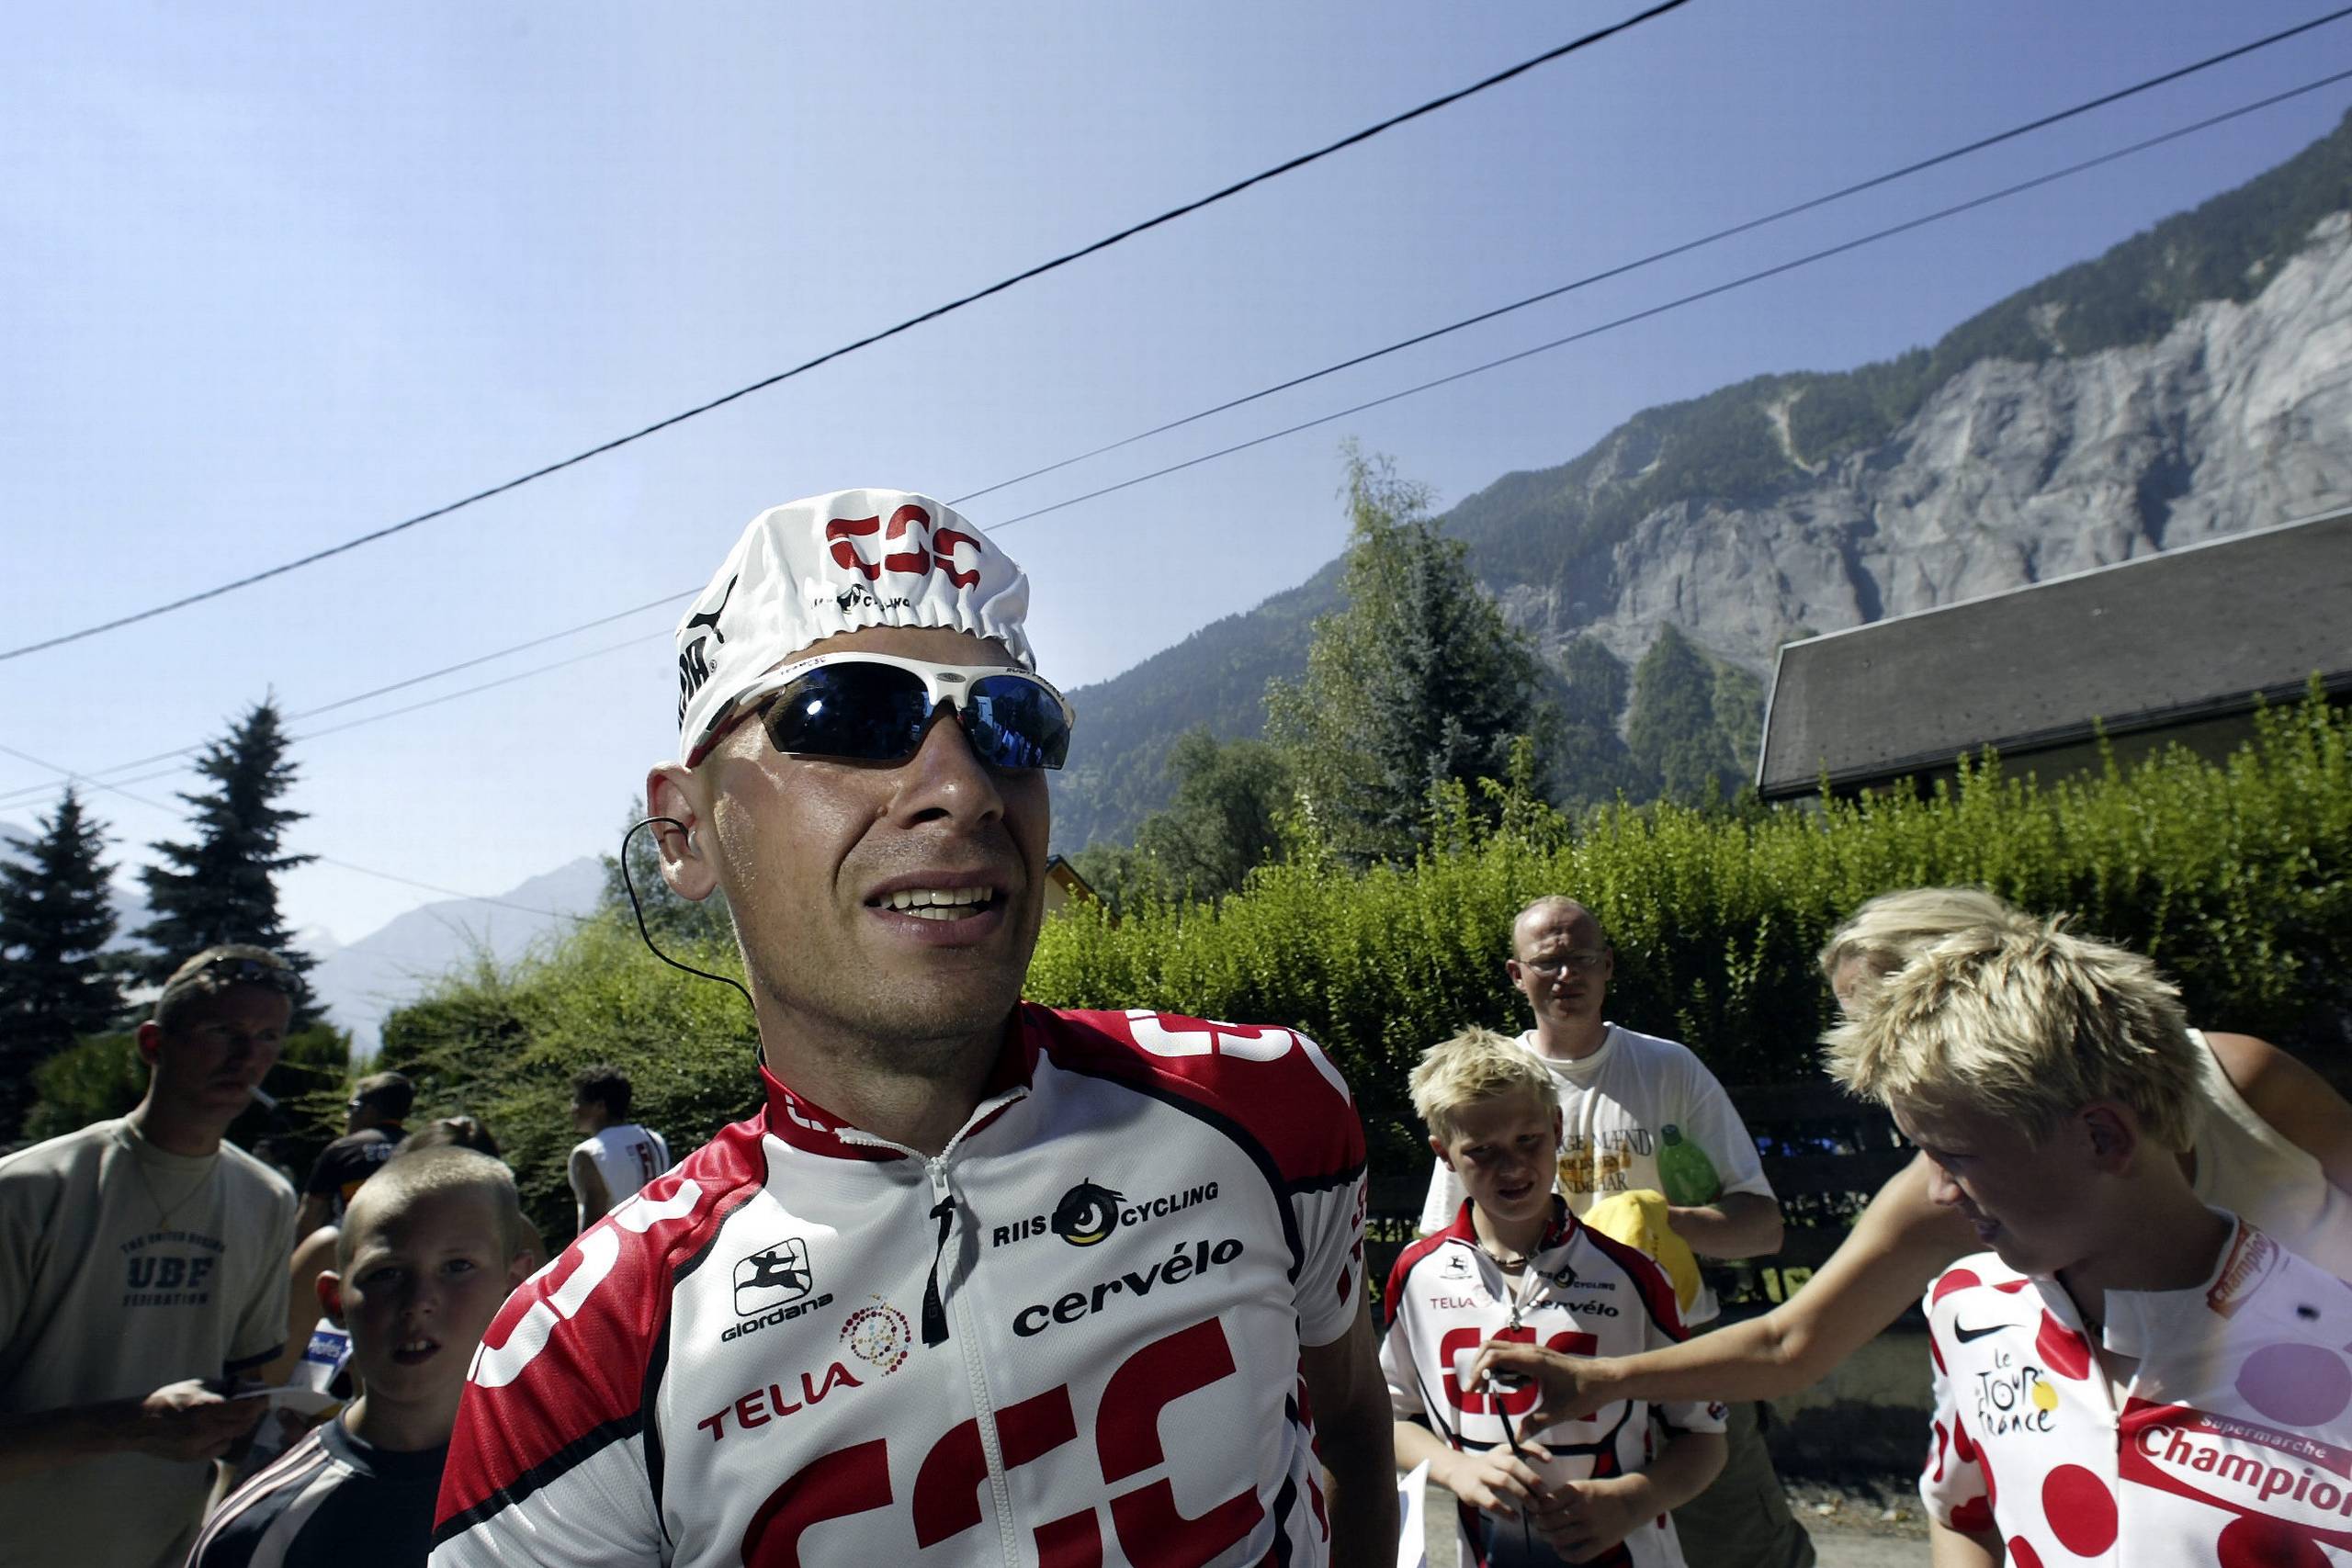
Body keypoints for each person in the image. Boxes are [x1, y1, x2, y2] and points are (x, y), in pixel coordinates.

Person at [430, 489, 1394, 1565]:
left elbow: (1353, 1425)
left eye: (1010, 724)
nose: (961, 784)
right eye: (850, 715)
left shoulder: (1264, 1105)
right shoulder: (579, 1359)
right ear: (683, 830)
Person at [1469, 886, 2352, 1424]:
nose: (1871, 1058)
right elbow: (1790, 1340)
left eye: (1883, 1016)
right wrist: (1597, 1379)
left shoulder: (2241, 1081)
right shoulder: (1943, 1191)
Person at [1827, 916, 2352, 1562]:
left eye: (1954, 1155)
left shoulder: (2336, 1347)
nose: (1936, 1190)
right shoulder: (1969, 1309)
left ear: (2104, 1137)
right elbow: (1963, 1512)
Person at [1418, 895, 1811, 1568]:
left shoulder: (1669, 1069)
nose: (1566, 975)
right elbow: (1443, 1250)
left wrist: (1661, 1221)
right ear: (1517, 974)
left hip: (1685, 1354)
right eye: (1548, 963)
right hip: (1554, 1371)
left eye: (1581, 959)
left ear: (1608, 966)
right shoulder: (1491, 1089)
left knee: (1749, 1551)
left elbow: (1763, 1227)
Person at [0, 945, 301, 1568]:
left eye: (268, 1036)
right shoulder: (31, 1189)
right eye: (223, 1031)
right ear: (152, 1042)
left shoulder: (266, 1198)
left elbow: (250, 1391)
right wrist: (131, 1424)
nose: (247, 1057)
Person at [1385, 1028, 1725, 1566]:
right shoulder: (1417, 1274)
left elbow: (1705, 1436)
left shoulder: (1633, 1273)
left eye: (1529, 1141)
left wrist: (1637, 1498)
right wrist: (1454, 1469)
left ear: (1558, 1126)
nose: (1513, 1168)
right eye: (1482, 1152)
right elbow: (1389, 1417)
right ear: (1444, 1154)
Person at [191, 1148, 537, 1568]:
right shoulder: (258, 1532)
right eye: (386, 1273)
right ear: (334, 1301)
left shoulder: (576, 1476)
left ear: (514, 1285)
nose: (419, 1302)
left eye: (457, 1267)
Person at [298, 1071, 414, 1237]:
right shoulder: (422, 1149)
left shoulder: (341, 1150)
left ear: (367, 1110)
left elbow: (309, 1217)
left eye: (351, 1108)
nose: (348, 1116)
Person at [565, 1065, 672, 1232]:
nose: (573, 1108)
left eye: (578, 1100)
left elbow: (594, 1220)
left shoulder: (588, 1153)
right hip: (657, 1239)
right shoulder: (654, 1139)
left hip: (618, 1249)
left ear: (600, 1106)